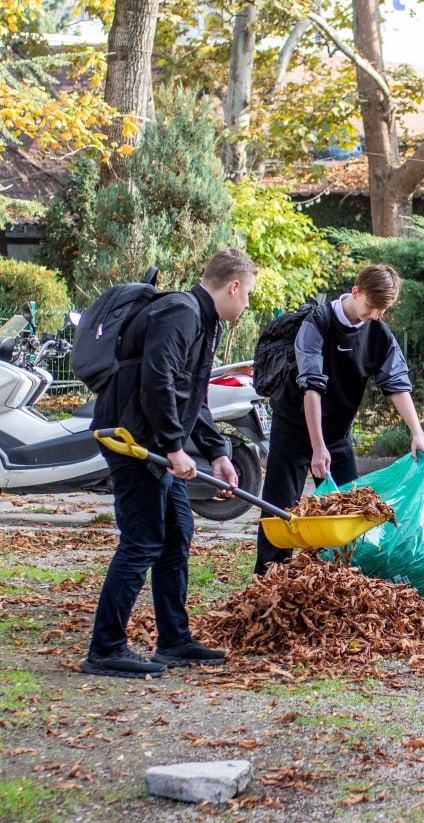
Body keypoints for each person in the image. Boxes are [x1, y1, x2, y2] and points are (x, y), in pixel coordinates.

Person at [83, 248, 258, 678]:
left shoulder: (202, 318)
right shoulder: (181, 312)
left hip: (157, 444)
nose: (248, 303)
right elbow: (156, 382)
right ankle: (104, 649)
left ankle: (174, 641)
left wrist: (217, 453)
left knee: (178, 532)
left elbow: (191, 394)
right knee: (142, 540)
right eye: (249, 293)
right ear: (233, 286)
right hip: (132, 442)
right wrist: (174, 448)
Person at [253, 263, 424, 576]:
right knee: (280, 510)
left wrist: (417, 433)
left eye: (382, 309)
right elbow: (311, 388)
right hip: (294, 428)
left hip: (336, 433)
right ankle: (267, 580)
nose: (375, 315)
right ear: (356, 291)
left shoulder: (377, 332)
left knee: (351, 512)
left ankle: (344, 580)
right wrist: (316, 447)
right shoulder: (317, 324)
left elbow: (397, 382)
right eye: (371, 306)